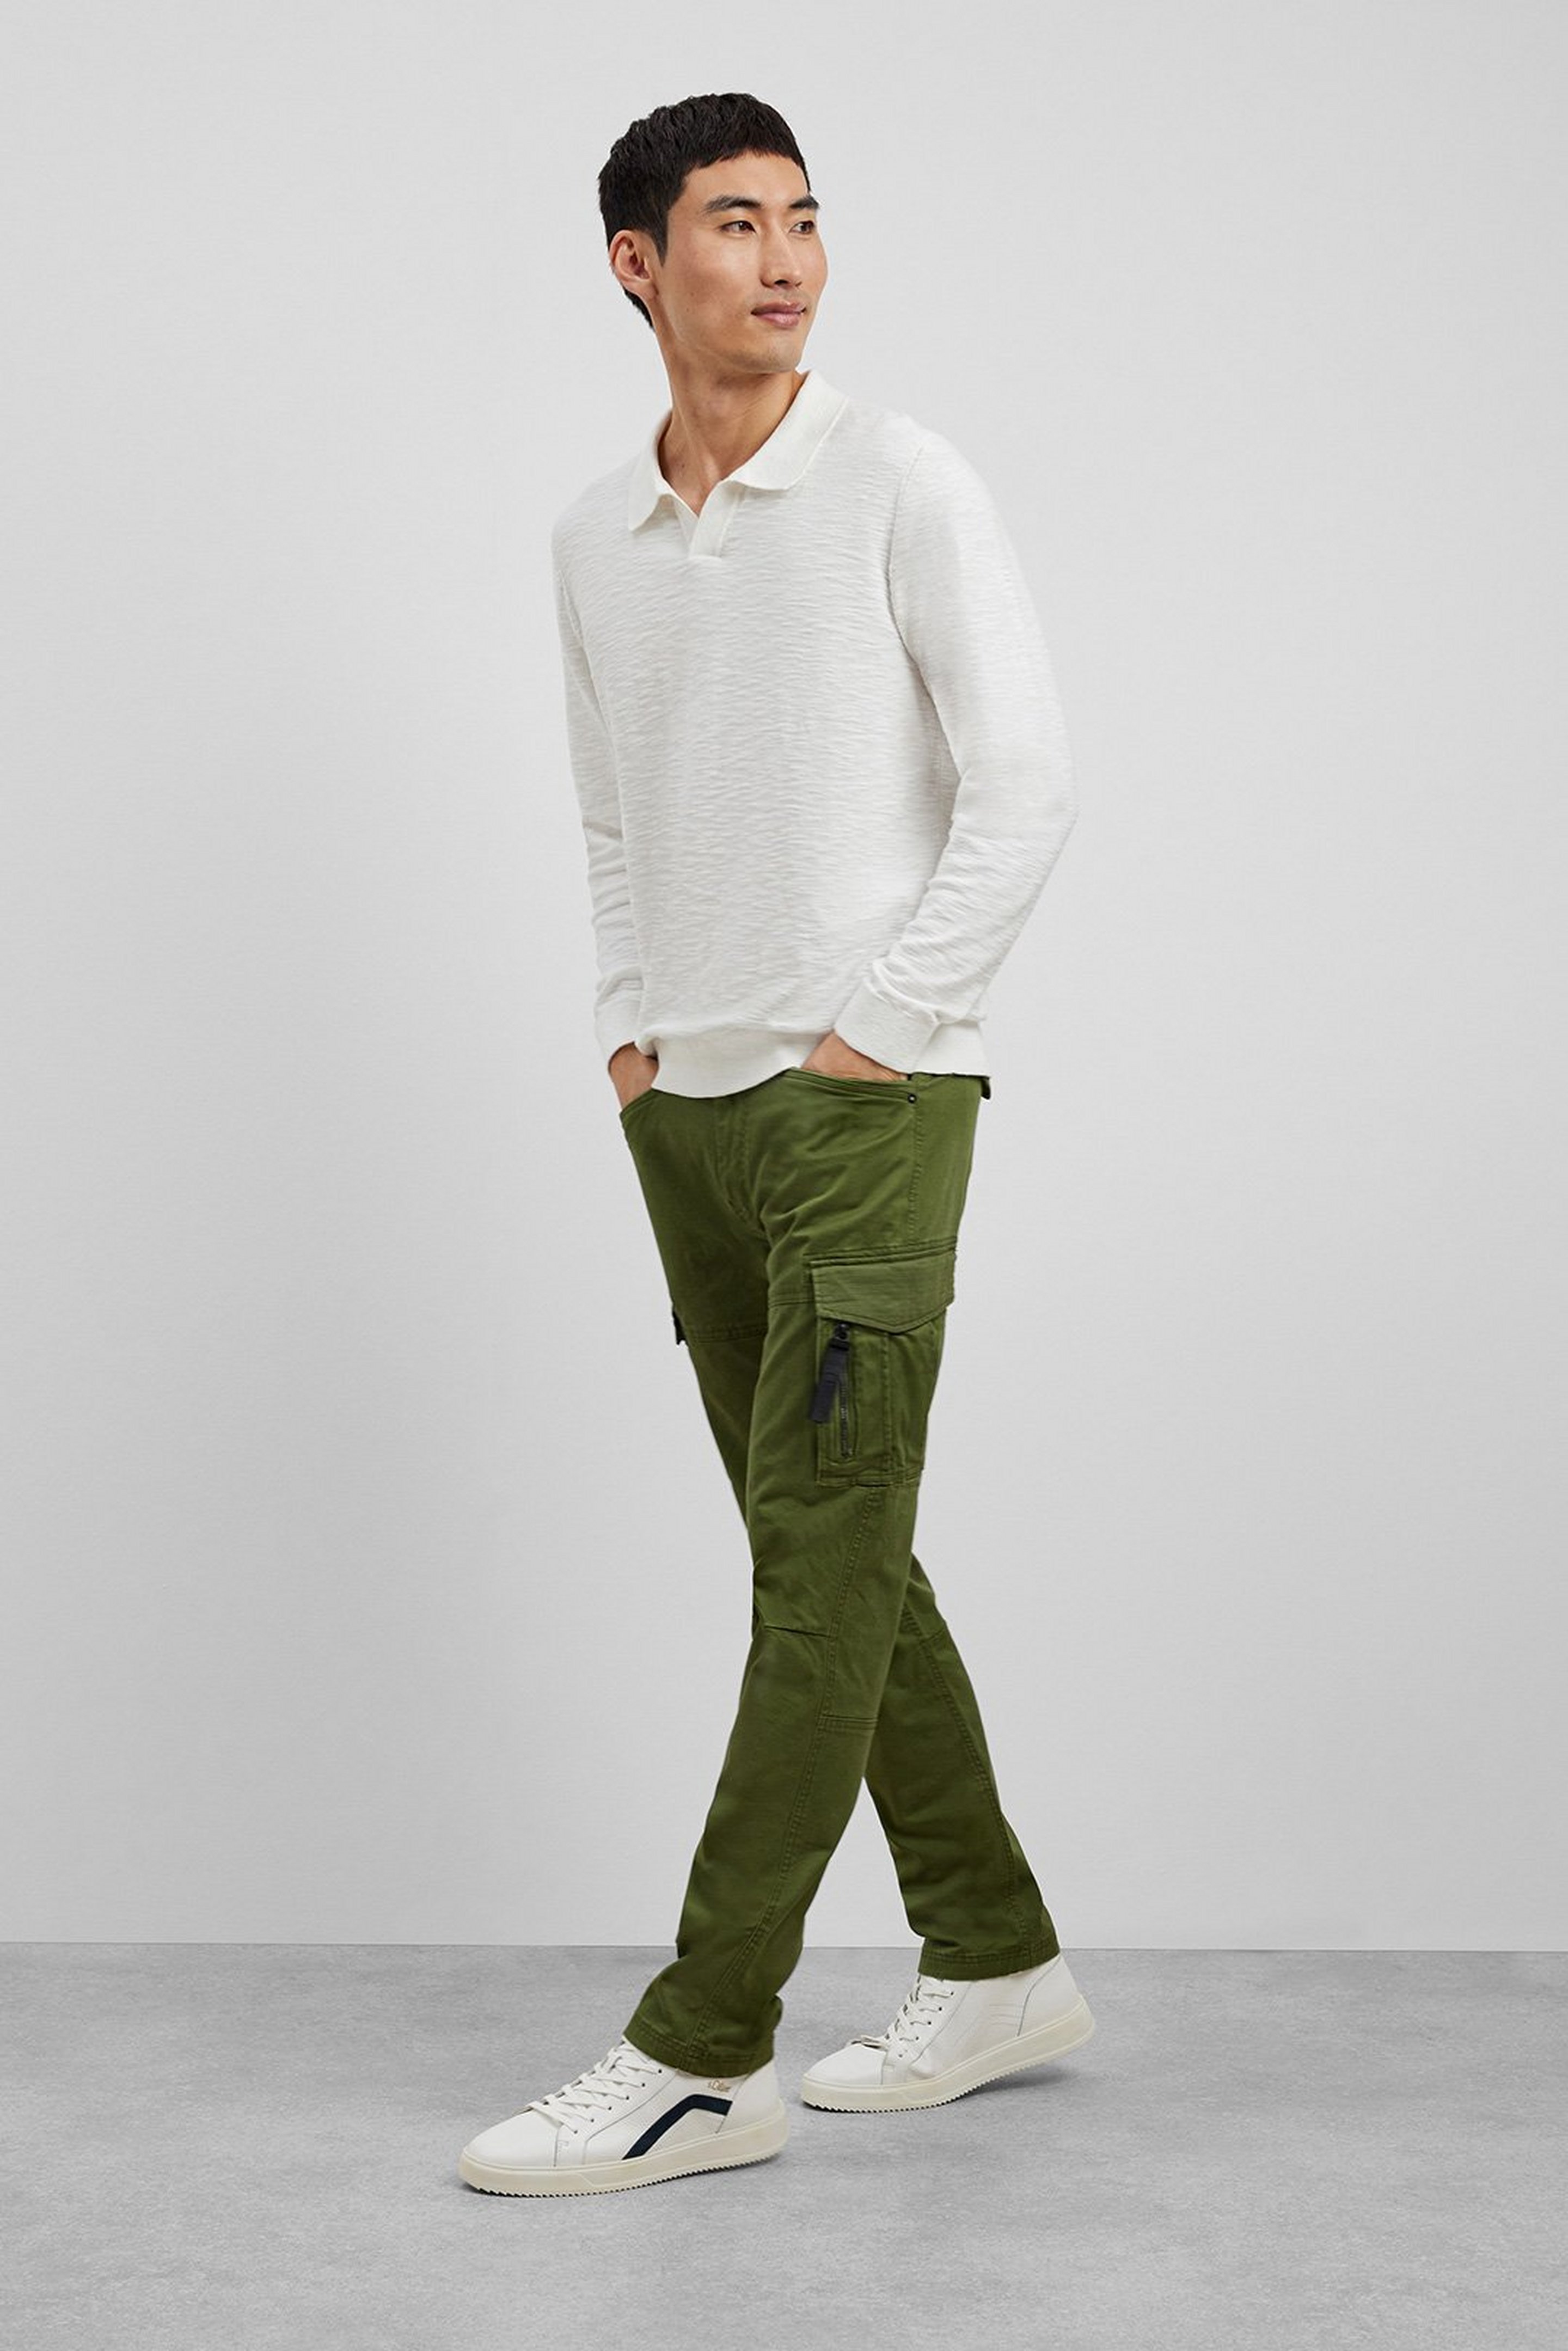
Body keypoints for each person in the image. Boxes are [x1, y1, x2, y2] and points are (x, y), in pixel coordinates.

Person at [459, 90, 1094, 2199]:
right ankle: (994, 1960)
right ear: (638, 264)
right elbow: (612, 817)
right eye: (735, 223)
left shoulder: (902, 478)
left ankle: (701, 2050)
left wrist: (877, 1033)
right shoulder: (592, 540)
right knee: (836, 1557)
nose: (787, 257)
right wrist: (633, 1041)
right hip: (692, 1121)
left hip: (865, 1115)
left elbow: (1025, 783)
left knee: (816, 1573)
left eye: (805, 217)